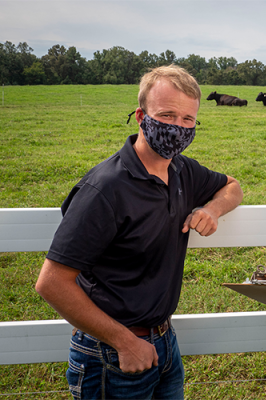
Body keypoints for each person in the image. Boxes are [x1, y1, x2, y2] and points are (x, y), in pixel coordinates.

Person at [35, 65, 243, 399]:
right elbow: (51, 282)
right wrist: (125, 342)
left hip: (164, 343)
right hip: (112, 353)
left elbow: (232, 186)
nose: (178, 128)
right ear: (140, 116)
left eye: (188, 119)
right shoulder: (105, 188)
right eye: (167, 115)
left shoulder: (181, 169)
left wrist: (211, 209)